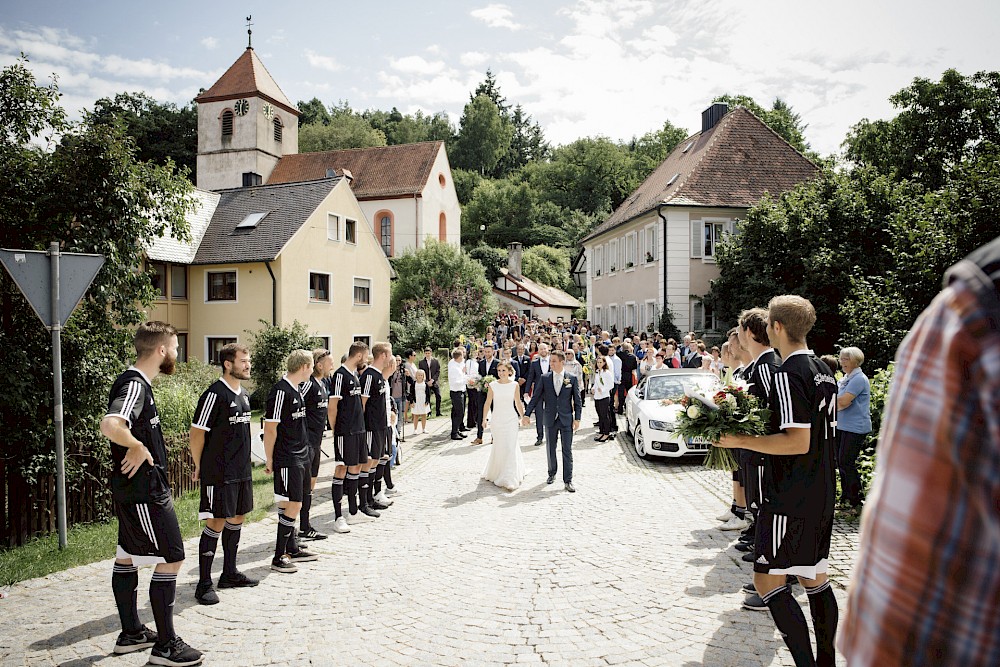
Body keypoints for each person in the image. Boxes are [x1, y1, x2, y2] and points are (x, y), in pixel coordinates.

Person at [839, 235, 1000, 666]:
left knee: (848, 467)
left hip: (851, 427)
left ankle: (850, 499)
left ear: (851, 361)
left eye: (842, 359)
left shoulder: (975, 305)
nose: (839, 362)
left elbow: (902, 603)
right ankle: (847, 497)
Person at [717, 296, 839, 667]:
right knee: (813, 577)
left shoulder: (788, 372)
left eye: (769, 322)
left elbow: (796, 441)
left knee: (768, 581)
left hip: (791, 493)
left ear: (777, 328)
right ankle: (826, 661)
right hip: (820, 489)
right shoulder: (823, 368)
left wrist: (739, 440)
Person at [100, 321, 204, 665]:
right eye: (174, 347)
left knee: (127, 555)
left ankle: (132, 634)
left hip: (136, 491)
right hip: (145, 493)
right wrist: (136, 444)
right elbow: (110, 423)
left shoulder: (140, 384)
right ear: (161, 350)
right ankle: (165, 646)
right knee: (172, 557)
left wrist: (135, 443)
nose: (176, 353)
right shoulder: (134, 385)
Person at [189, 342, 258, 606]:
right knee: (215, 521)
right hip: (218, 472)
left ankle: (229, 573)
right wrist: (198, 465)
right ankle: (204, 583)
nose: (247, 365)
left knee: (237, 517)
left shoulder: (244, 394)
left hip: (241, 471)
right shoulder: (214, 394)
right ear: (228, 364)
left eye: (248, 360)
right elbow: (196, 433)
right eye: (243, 361)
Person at [263, 349, 320, 573]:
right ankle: (279, 556)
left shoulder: (297, 389)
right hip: (288, 457)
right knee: (292, 503)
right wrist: (269, 459)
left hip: (302, 453)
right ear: (305, 367)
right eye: (312, 366)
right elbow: (270, 428)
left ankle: (292, 547)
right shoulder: (280, 391)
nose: (313, 370)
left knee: (297, 500)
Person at [523, 350, 583, 492]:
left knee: (567, 450)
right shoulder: (545, 378)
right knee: (550, 448)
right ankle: (551, 473)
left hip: (566, 418)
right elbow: (536, 397)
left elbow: (578, 400)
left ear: (562, 362)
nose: (551, 364)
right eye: (550, 361)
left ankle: (568, 480)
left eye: (554, 361)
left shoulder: (572, 378)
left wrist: (578, 419)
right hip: (550, 418)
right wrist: (526, 414)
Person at [328, 341, 369, 532]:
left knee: (357, 467)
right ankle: (338, 517)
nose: (366, 360)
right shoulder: (339, 375)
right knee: (341, 469)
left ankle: (353, 512)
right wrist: (336, 431)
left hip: (359, 430)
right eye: (366, 356)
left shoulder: (355, 375)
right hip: (346, 432)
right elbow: (332, 407)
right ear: (359, 356)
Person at [296, 348, 333, 542]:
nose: (332, 365)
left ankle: (305, 526)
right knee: (301, 489)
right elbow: (295, 407)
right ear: (318, 365)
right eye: (329, 362)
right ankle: (298, 528)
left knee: (309, 488)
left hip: (317, 444)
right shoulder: (308, 385)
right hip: (306, 444)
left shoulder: (322, 383)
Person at [480, 360, 527, 491]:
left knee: (510, 446)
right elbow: (487, 403)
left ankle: (510, 478)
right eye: (499, 371)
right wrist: (484, 419)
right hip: (497, 420)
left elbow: (518, 402)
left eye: (504, 371)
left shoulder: (515, 385)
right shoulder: (493, 385)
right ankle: (498, 471)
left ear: (509, 372)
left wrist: (523, 417)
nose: (501, 373)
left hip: (511, 419)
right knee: (500, 446)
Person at [835, 347, 871, 515]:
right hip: (843, 426)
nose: (842, 362)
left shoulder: (859, 379)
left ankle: (855, 501)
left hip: (855, 427)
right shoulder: (846, 378)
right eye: (841, 358)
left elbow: (843, 402)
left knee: (846, 462)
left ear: (855, 361)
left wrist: (823, 406)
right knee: (841, 462)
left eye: (846, 359)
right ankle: (845, 498)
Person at [359, 342, 393, 516]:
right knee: (369, 462)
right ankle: (363, 502)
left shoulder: (380, 376)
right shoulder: (369, 376)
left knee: (375, 461)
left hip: (381, 426)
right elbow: (362, 403)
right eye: (390, 354)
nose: (391, 358)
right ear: (383, 355)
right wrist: (363, 426)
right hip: (371, 427)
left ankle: (371, 498)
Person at [524, 342, 552, 446]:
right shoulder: (534, 363)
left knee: (551, 413)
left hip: (551, 391)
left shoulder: (553, 361)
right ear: (538, 351)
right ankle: (539, 436)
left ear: (548, 349)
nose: (543, 351)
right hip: (538, 391)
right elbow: (530, 377)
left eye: (544, 348)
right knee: (539, 414)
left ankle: (551, 435)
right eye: (541, 349)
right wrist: (526, 391)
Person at [474, 345, 500, 444]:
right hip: (483, 393)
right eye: (485, 352)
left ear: (493, 352)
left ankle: (494, 436)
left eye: (489, 352)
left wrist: (493, 383)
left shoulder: (497, 363)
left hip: (495, 393)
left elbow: (500, 377)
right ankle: (479, 437)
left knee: (495, 414)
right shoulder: (481, 363)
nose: (487, 354)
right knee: (480, 414)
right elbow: (480, 376)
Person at [592, 355, 615, 442]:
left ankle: (606, 433)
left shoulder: (607, 373)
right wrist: (593, 388)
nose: (599, 364)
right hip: (597, 396)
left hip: (604, 396)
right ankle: (601, 431)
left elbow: (611, 385)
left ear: (604, 363)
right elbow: (596, 383)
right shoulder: (597, 372)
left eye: (601, 362)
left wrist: (603, 389)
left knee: (605, 415)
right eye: (598, 362)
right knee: (600, 415)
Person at [448, 347, 469, 440]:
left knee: (459, 411)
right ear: (457, 358)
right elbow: (456, 382)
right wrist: (466, 380)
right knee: (458, 412)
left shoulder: (458, 364)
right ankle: (454, 432)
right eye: (461, 357)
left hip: (461, 390)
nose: (463, 358)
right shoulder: (454, 368)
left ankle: (457, 430)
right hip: (456, 391)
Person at [418, 347, 442, 417]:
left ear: (431, 353)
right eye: (426, 353)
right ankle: (429, 412)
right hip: (426, 382)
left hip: (434, 381)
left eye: (429, 353)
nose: (427, 354)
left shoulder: (435, 361)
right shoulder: (421, 362)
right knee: (427, 397)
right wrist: (426, 381)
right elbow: (421, 372)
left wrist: (433, 380)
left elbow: (438, 371)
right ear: (424, 354)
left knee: (438, 396)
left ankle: (438, 412)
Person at [411, 369, 430, 433]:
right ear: (416, 375)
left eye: (421, 375)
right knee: (416, 415)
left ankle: (424, 428)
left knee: (423, 415)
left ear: (423, 376)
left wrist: (427, 401)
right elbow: (411, 393)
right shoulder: (414, 384)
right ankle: (415, 429)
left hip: (423, 401)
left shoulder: (425, 384)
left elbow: (428, 394)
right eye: (419, 375)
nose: (420, 376)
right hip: (416, 401)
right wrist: (411, 401)